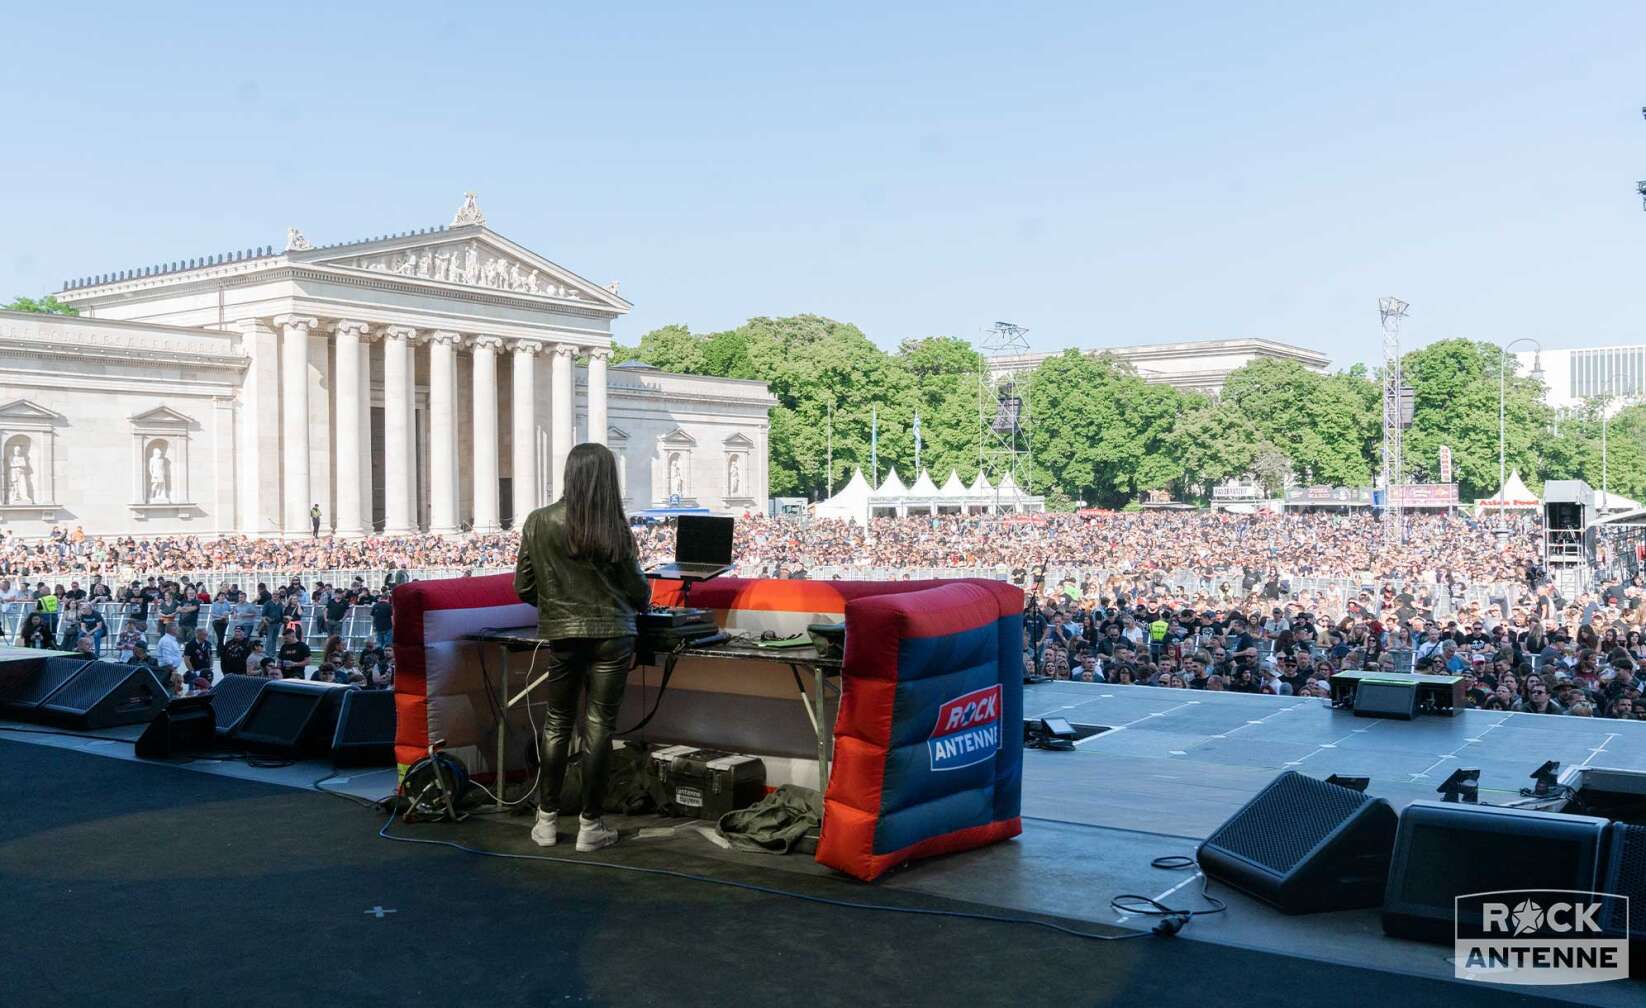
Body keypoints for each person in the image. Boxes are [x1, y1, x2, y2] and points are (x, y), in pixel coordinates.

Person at [515, 442, 651, 853]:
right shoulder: (614, 528)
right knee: (598, 728)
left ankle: (546, 821)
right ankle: (591, 826)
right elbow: (639, 593)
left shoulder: (539, 522)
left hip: (563, 635)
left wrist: (556, 607)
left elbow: (523, 586)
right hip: (613, 635)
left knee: (557, 723)